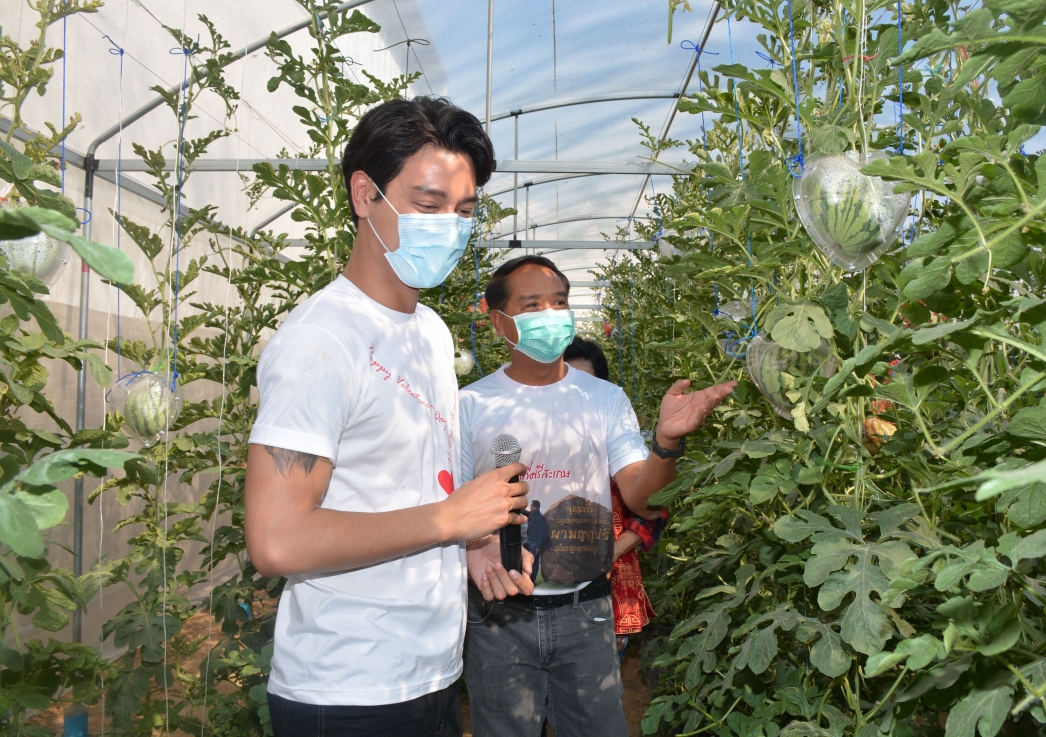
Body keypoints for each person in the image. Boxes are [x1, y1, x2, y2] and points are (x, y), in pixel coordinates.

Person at [243, 97, 535, 737]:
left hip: (431, 671)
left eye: (464, 211)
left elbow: (404, 486)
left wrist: (471, 546)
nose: (449, 228)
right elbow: (277, 540)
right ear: (363, 195)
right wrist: (449, 519)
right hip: (347, 687)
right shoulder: (322, 340)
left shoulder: (428, 332)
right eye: (427, 205)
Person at [459, 256, 736, 737]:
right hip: (497, 615)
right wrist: (474, 550)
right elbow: (453, 511)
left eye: (559, 302)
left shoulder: (605, 398)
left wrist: (665, 442)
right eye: (532, 305)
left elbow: (643, 499)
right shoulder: (469, 405)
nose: (550, 314)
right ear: (499, 322)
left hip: (584, 611)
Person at [563, 337, 665, 659]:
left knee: (598, 674)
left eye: (585, 384)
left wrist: (610, 554)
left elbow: (655, 509)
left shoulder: (617, 442)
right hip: (547, 586)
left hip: (611, 581)